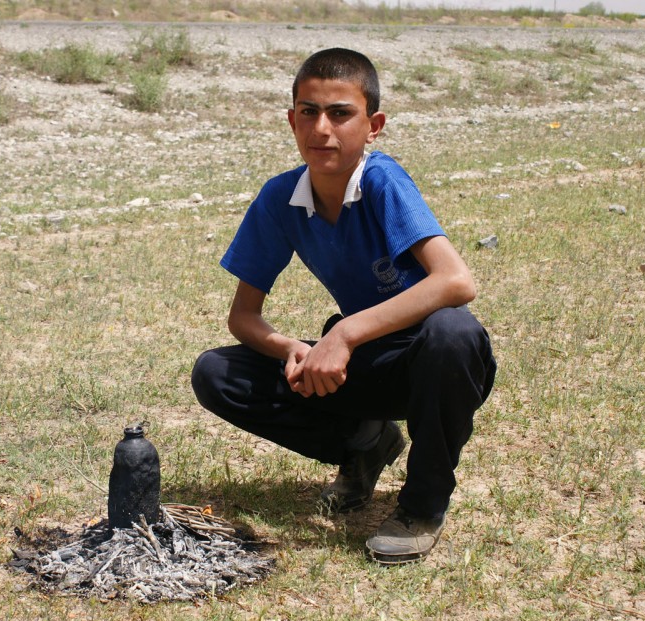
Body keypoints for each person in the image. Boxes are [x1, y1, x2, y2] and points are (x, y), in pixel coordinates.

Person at [191, 48, 496, 565]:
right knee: (217, 372)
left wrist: (346, 333)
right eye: (308, 112)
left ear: (373, 125)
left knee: (454, 332)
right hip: (362, 367)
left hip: (432, 366)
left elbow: (456, 280)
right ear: (291, 121)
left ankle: (422, 506)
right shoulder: (280, 198)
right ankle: (364, 444)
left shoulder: (381, 181)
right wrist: (292, 347)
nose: (322, 128)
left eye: (340, 113)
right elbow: (243, 317)